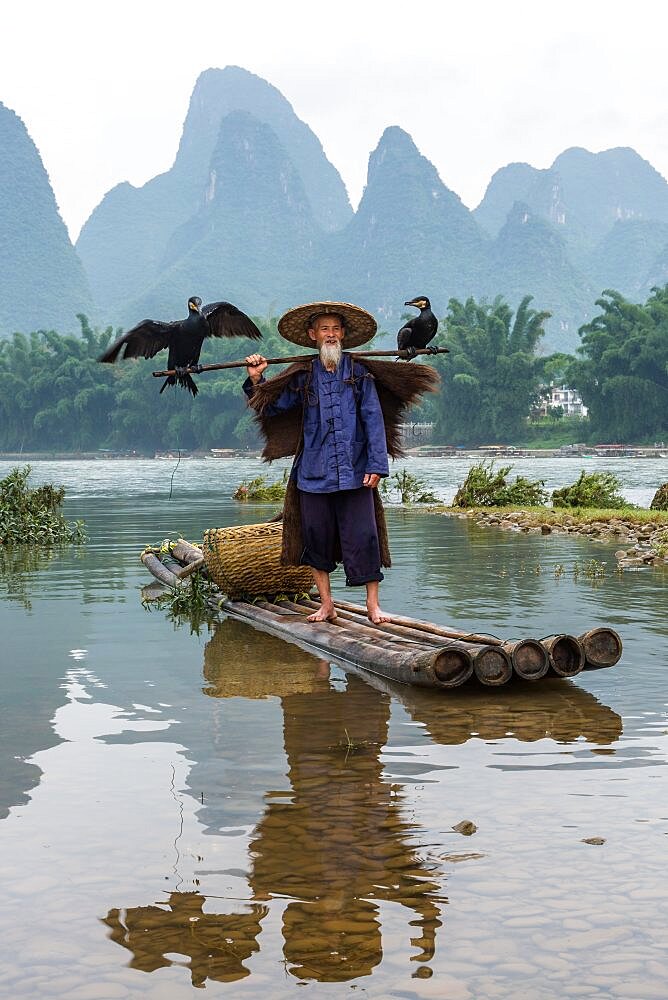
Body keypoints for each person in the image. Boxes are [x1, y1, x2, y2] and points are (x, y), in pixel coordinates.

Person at [244, 302, 391, 624]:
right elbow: (271, 408)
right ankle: (326, 605)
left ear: (344, 335)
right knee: (315, 537)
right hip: (313, 472)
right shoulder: (302, 376)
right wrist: (257, 379)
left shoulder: (358, 373)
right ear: (313, 335)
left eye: (336, 329)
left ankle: (373, 606)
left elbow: (373, 418)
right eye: (324, 329)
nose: (331, 335)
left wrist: (377, 465)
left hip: (355, 471)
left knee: (364, 536)